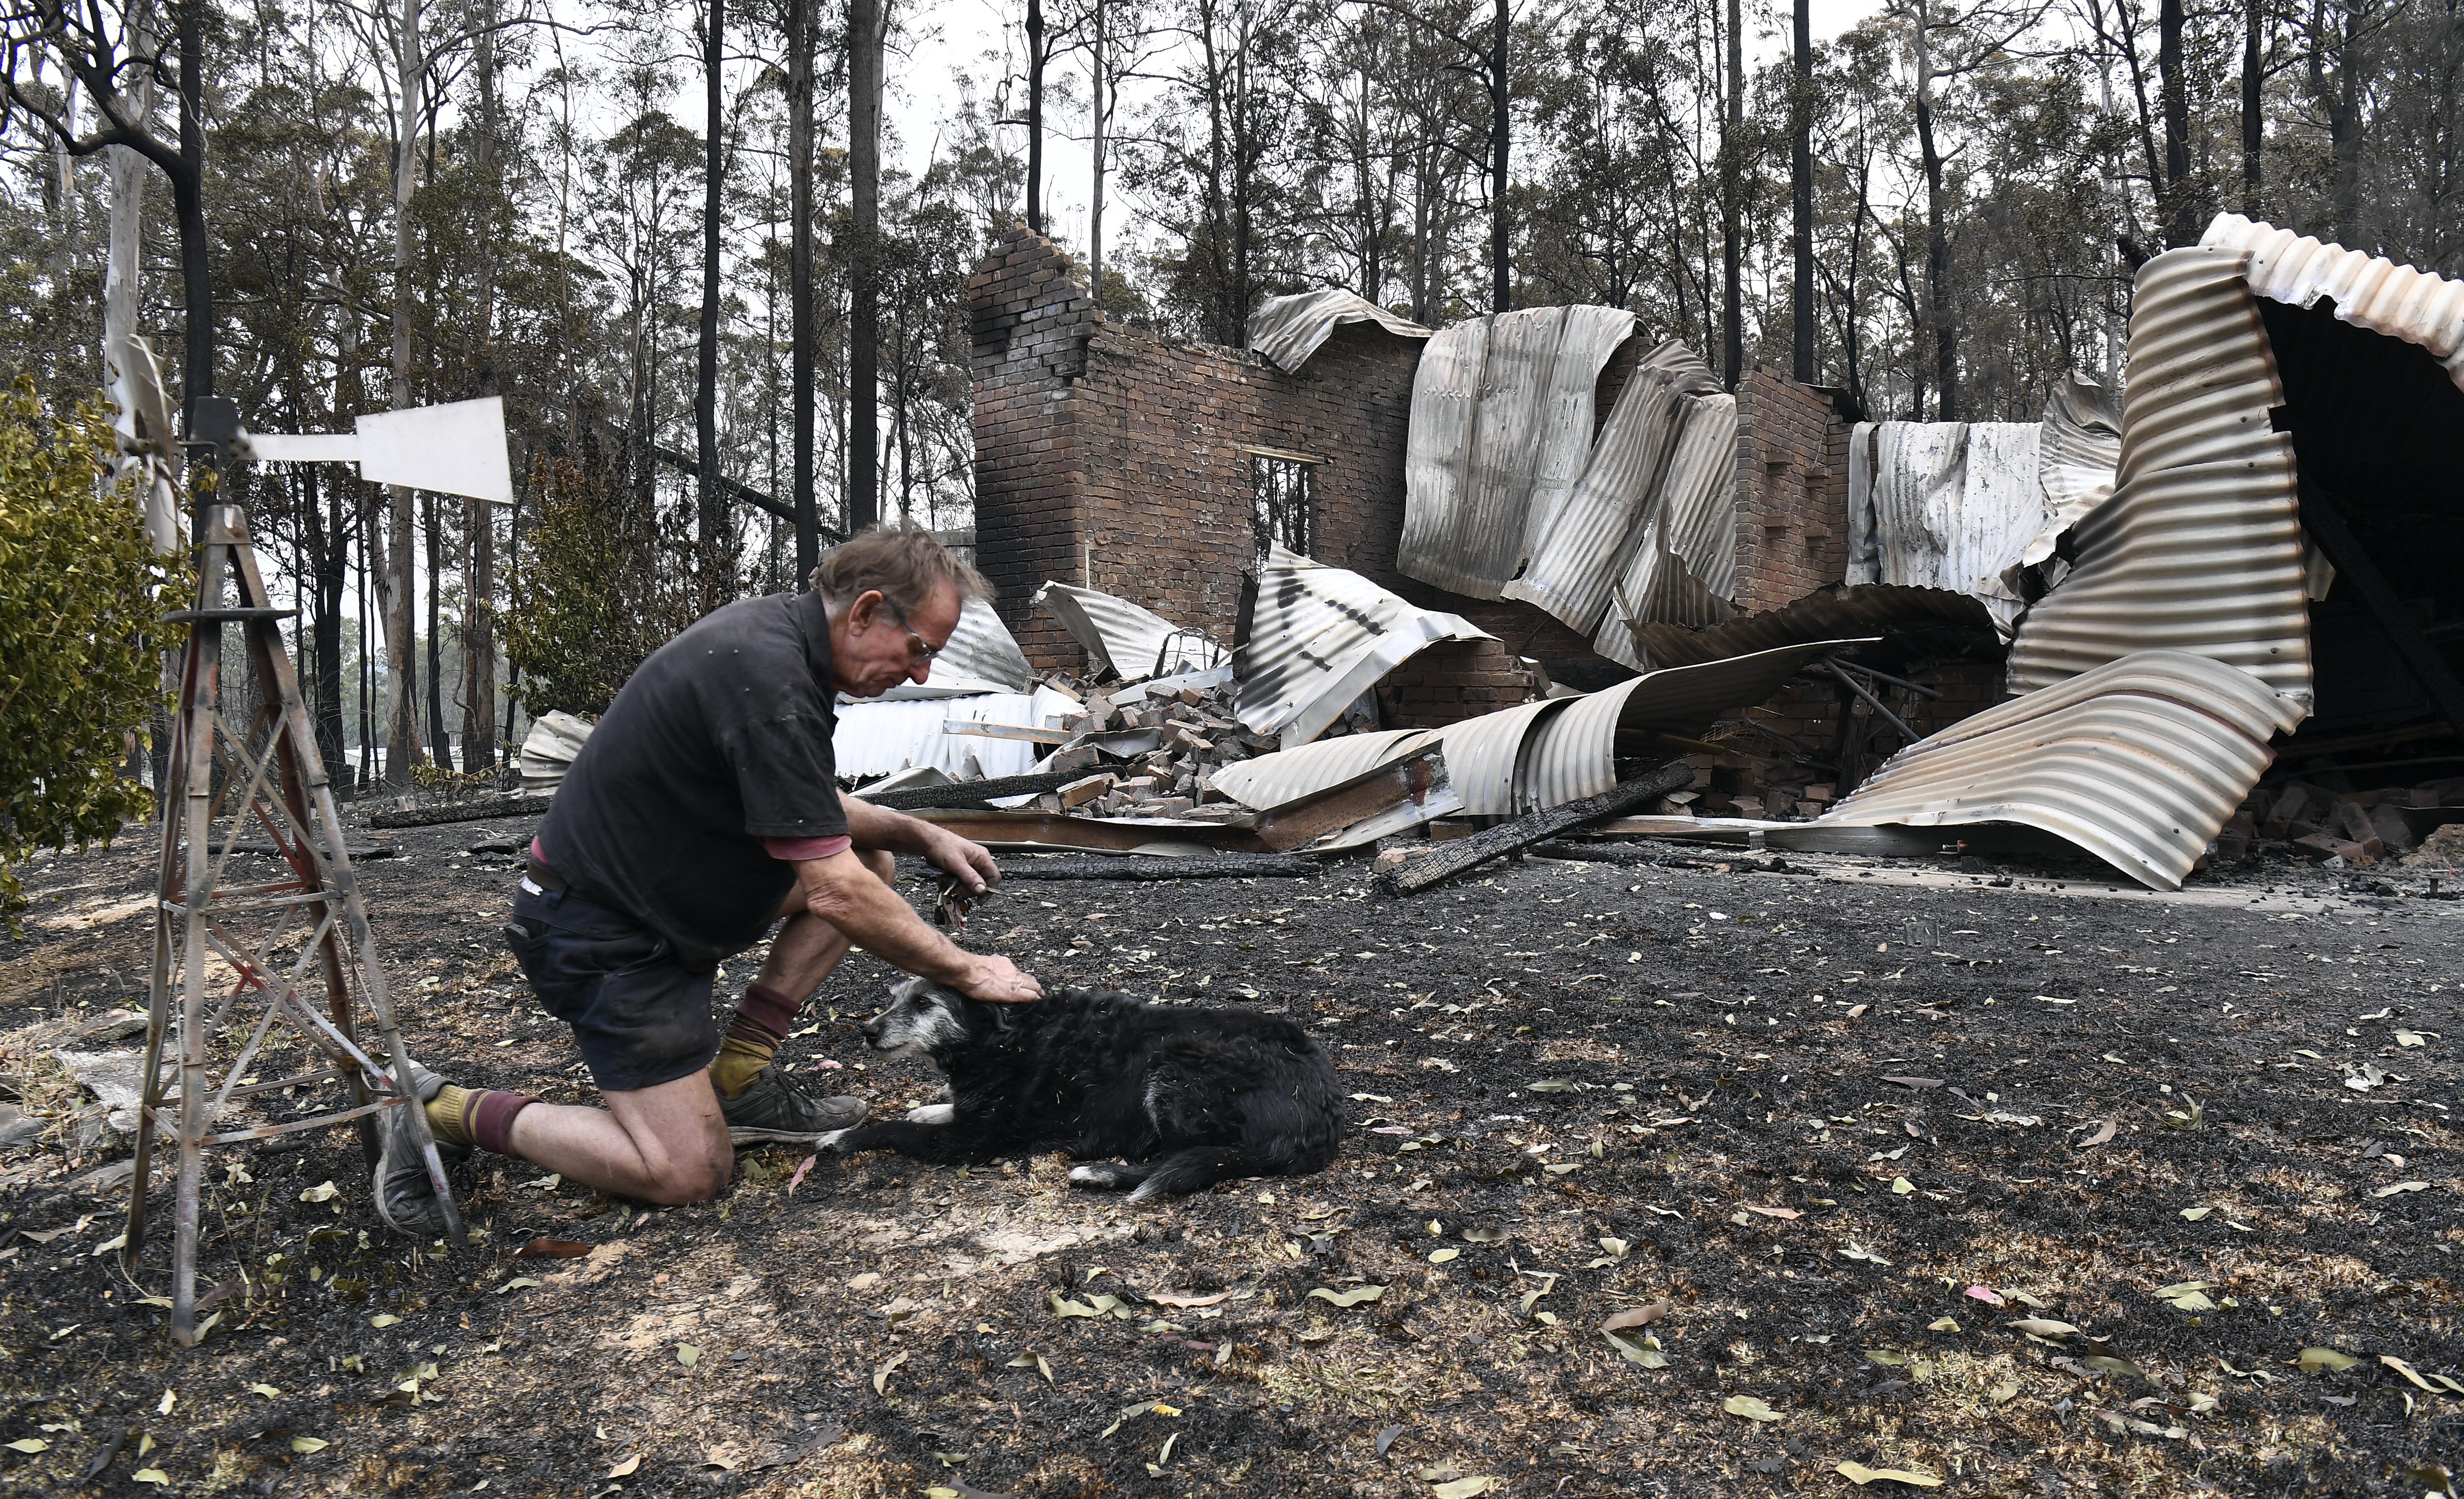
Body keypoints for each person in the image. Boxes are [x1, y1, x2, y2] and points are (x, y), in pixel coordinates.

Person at [375, 526, 1044, 1233]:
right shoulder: (769, 678)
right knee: (688, 1171)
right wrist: (970, 971)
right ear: (867, 611)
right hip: (603, 933)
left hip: (662, 902)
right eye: (921, 649)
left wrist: (919, 831)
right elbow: (834, 892)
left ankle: (738, 1082)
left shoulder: (778, 647)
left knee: (870, 862)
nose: (921, 676)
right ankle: (439, 1109)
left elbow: (805, 805)